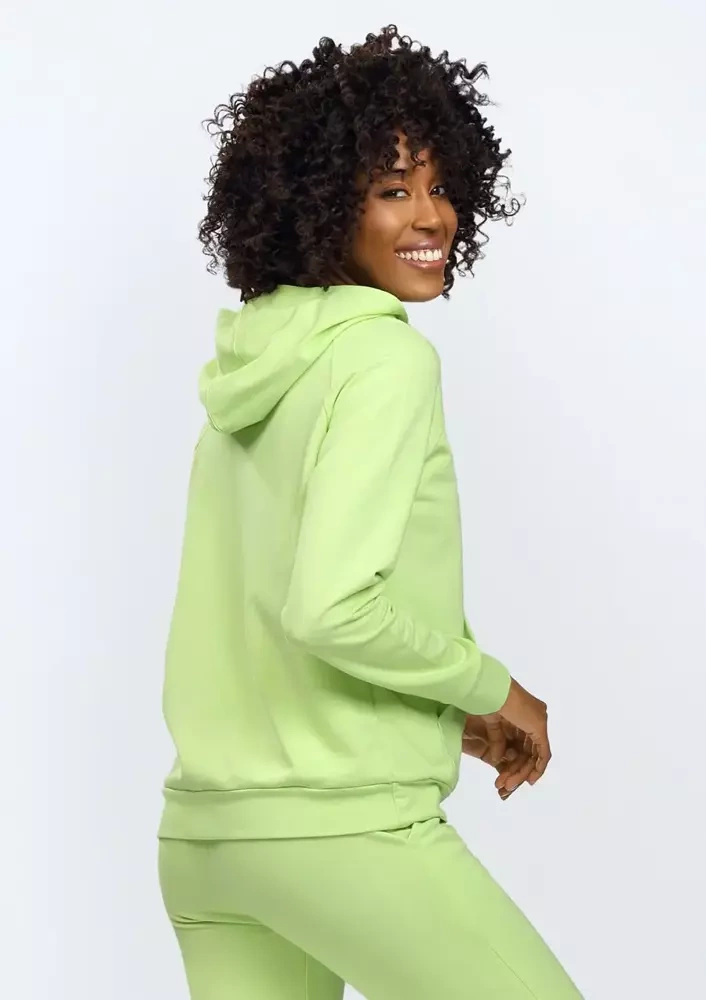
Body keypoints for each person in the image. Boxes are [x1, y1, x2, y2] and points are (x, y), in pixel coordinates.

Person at [157, 24, 583, 1000]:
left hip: (207, 841)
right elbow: (330, 607)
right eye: (393, 189)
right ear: (319, 204)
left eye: (440, 185)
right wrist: (490, 686)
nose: (432, 215)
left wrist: (439, 708)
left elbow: (271, 613)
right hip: (342, 834)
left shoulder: (251, 369)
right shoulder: (383, 357)